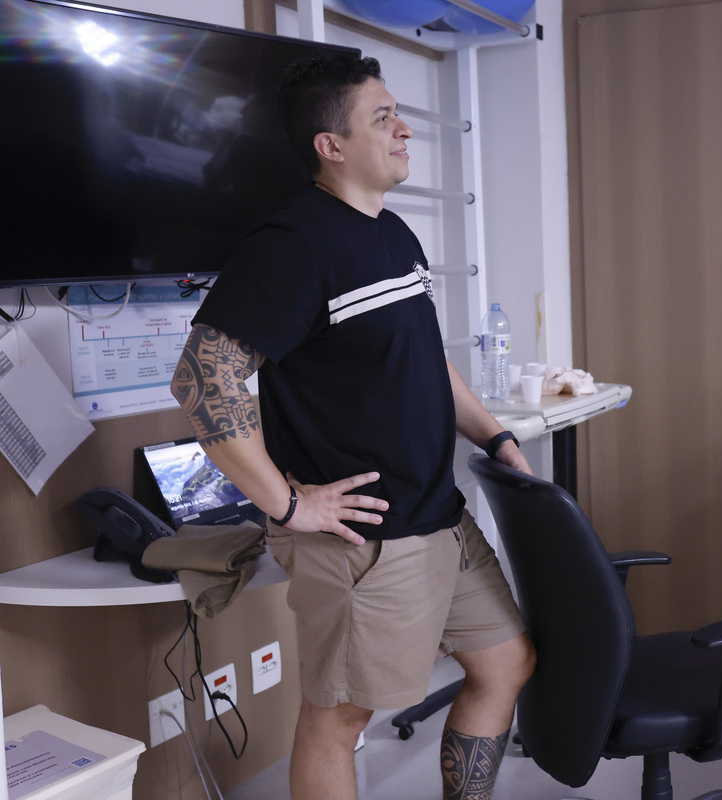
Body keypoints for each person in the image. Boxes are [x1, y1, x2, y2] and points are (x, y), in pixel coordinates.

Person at [169, 53, 535, 800]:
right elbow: (202, 378)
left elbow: (426, 360)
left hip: (439, 516)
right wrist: (288, 505)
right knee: (338, 720)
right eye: (383, 117)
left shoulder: (392, 233)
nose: (405, 130)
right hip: (365, 541)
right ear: (330, 145)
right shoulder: (292, 244)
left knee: (506, 662)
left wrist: (495, 436)